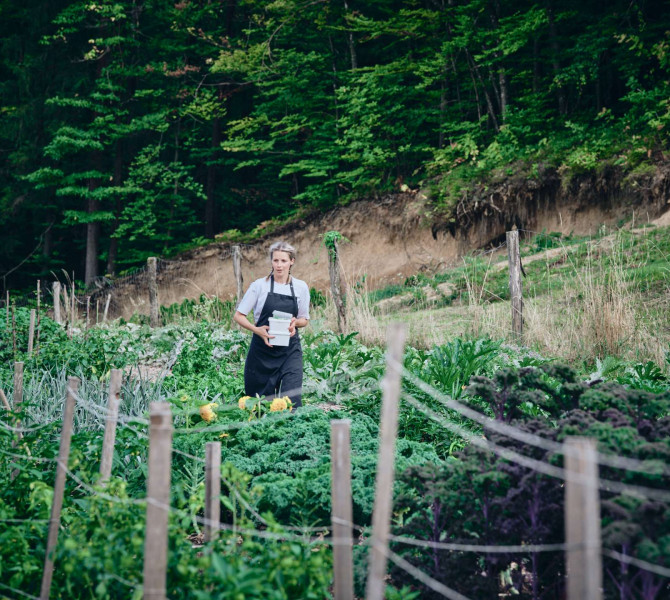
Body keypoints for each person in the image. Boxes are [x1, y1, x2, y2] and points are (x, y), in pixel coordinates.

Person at [233, 241, 310, 408]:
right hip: (262, 353)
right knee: (260, 407)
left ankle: (293, 433)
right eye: (276, 261)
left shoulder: (300, 287)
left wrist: (294, 323)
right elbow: (239, 316)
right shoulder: (260, 286)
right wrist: (257, 330)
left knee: (292, 400)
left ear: (292, 261)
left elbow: (304, 319)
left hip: (290, 351)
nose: (279, 265)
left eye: (283, 261)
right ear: (271, 261)